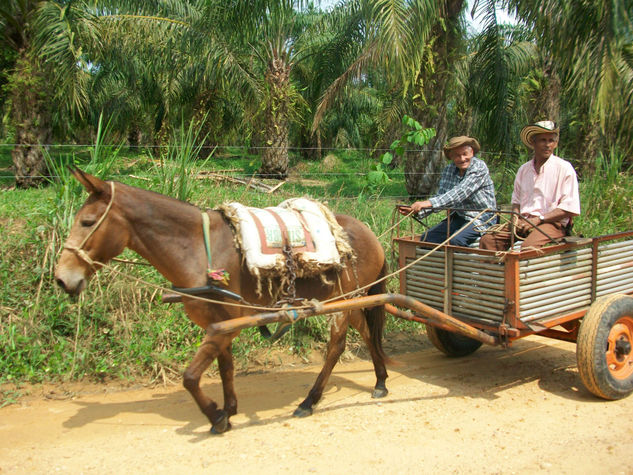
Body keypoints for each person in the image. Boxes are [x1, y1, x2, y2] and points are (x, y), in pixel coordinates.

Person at [479, 120, 580, 251]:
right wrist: (515, 219)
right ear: (533, 142)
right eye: (543, 140)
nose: (547, 145)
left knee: (529, 248)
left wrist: (539, 220)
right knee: (489, 240)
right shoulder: (524, 170)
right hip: (524, 221)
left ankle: (521, 271)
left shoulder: (564, 168)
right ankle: (496, 271)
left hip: (552, 223)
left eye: (551, 140)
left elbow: (569, 208)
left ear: (555, 144)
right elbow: (516, 203)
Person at [398, 135, 497, 247]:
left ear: (472, 153)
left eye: (465, 154)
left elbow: (459, 193)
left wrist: (426, 203)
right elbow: (442, 196)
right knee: (427, 239)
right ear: (451, 157)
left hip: (481, 218)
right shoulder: (449, 170)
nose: (462, 159)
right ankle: (436, 264)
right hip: (459, 216)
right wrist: (417, 210)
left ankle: (457, 264)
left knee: (456, 241)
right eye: (457, 156)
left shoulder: (479, 167)